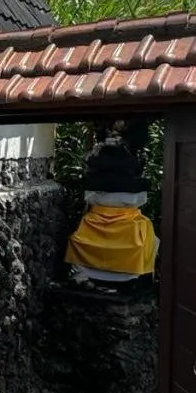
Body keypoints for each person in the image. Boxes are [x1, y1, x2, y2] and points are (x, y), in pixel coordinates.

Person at [65, 119, 158, 293]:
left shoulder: (114, 158)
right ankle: (133, 278)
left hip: (114, 208)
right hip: (113, 206)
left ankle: (88, 275)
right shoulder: (107, 158)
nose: (114, 133)